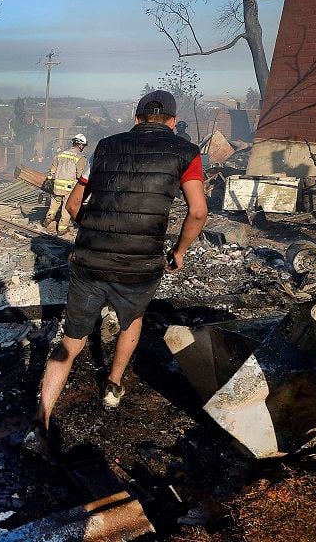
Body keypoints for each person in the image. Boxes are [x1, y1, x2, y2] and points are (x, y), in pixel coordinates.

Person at [24, 90, 207, 458]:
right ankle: (113, 384)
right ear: (172, 121)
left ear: (136, 118)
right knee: (131, 321)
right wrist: (179, 251)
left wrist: (95, 233)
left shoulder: (104, 147)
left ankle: (39, 424)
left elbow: (74, 204)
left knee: (70, 342)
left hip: (90, 260)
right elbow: (199, 212)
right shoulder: (186, 152)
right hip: (140, 266)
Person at [43, 134, 88, 234]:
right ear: (80, 145)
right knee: (66, 207)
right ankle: (62, 229)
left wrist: (49, 180)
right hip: (69, 188)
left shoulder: (60, 154)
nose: (83, 148)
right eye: (84, 146)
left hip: (57, 186)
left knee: (54, 204)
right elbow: (80, 174)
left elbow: (52, 170)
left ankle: (48, 219)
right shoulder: (80, 157)